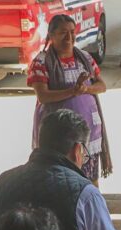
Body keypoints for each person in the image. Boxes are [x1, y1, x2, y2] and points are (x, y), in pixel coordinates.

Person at [28, 13, 110, 185]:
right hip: (58, 136)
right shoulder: (41, 62)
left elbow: (102, 86)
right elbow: (43, 96)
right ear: (51, 36)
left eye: (72, 32)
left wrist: (85, 89)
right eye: (63, 32)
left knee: (90, 181)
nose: (69, 37)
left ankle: (89, 208)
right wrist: (73, 91)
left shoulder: (85, 58)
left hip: (88, 134)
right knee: (59, 181)